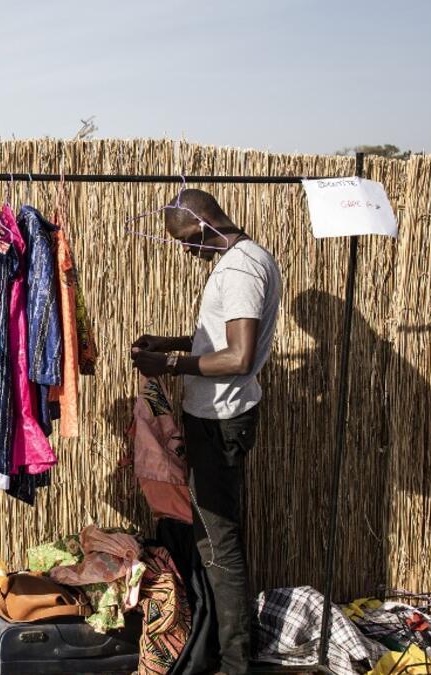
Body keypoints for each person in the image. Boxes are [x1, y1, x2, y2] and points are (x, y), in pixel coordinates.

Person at [130, 188, 282, 675]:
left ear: (202, 227)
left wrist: (171, 365)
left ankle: (235, 664)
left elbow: (238, 357)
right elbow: (219, 341)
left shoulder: (239, 270)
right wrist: (170, 344)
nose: (186, 251)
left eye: (186, 242)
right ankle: (219, 649)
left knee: (219, 545)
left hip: (220, 422)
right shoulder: (247, 259)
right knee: (215, 540)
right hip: (216, 418)